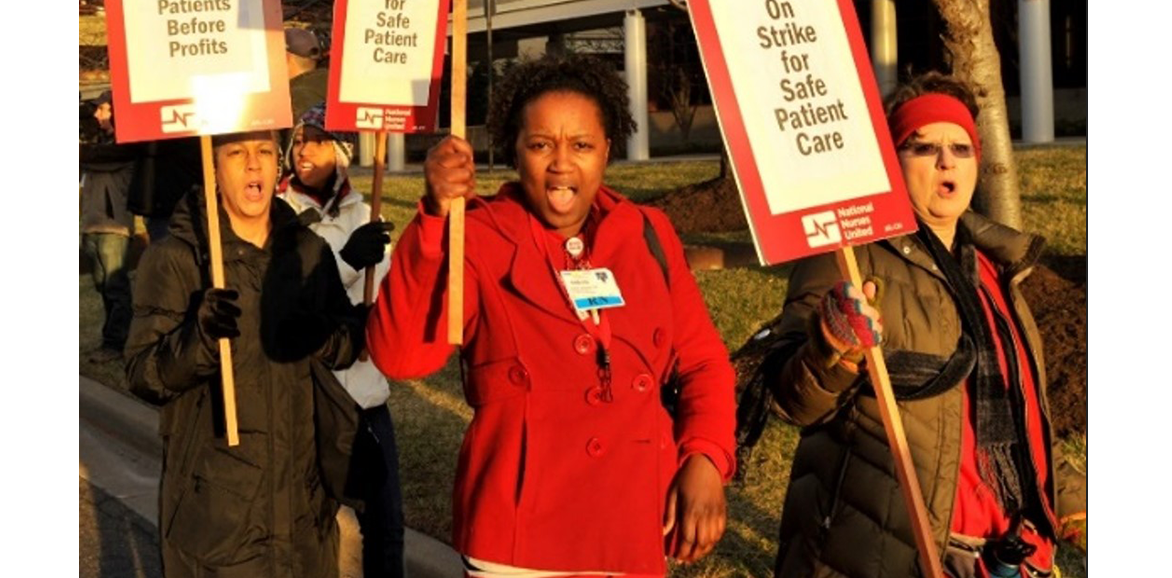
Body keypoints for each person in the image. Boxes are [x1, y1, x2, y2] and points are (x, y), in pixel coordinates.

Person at [368, 53, 737, 576]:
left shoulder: (648, 233)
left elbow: (703, 363)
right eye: (541, 145)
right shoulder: (478, 235)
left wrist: (704, 459)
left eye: (581, 145)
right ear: (515, 151)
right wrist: (433, 220)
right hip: (522, 541)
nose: (562, 163)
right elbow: (399, 354)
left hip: (633, 527)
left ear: (607, 149)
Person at [764, 72, 1059, 578]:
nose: (947, 161)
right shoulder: (850, 255)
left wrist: (1066, 491)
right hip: (889, 552)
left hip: (1006, 551)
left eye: (961, 148)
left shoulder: (995, 269)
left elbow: (1018, 414)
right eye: (922, 147)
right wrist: (829, 350)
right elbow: (788, 398)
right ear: (890, 161)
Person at [124, 128, 368, 578]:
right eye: (236, 153)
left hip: (304, 514)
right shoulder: (178, 258)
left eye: (263, 152)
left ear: (279, 164)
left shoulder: (307, 250)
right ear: (213, 170)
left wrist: (321, 333)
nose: (253, 164)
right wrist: (196, 342)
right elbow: (143, 373)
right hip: (220, 523)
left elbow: (349, 342)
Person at [277, 101, 405, 578]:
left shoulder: (364, 209)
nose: (301, 149)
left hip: (367, 394)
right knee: (312, 526)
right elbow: (291, 296)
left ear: (342, 151)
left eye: (314, 138)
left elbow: (386, 288)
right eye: (296, 141)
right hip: (312, 395)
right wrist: (347, 263)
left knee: (387, 524)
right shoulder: (279, 215)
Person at [80, 90, 139, 361]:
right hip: (93, 224)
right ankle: (111, 338)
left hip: (114, 226)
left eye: (102, 109)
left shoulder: (125, 144)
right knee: (103, 286)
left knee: (116, 287)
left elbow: (95, 157)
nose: (96, 115)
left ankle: (117, 343)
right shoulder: (97, 144)